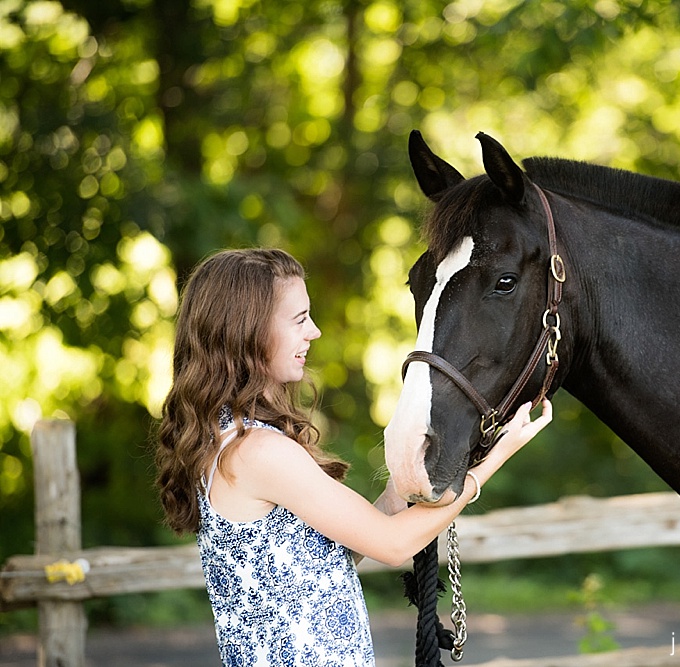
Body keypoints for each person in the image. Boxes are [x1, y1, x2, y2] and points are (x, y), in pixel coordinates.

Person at [155, 247, 552, 667]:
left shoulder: (231, 437)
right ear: (247, 331)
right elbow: (393, 544)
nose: (314, 332)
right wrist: (493, 460)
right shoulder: (257, 450)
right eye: (298, 319)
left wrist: (406, 477)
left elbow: (334, 557)